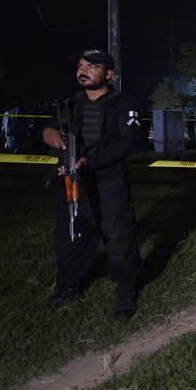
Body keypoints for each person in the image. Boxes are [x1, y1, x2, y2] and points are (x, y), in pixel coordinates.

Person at [42, 49, 144, 321]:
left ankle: (125, 290)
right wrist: (52, 137)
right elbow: (50, 129)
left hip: (109, 184)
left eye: (91, 66)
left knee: (118, 237)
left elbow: (127, 142)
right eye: (81, 65)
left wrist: (90, 160)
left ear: (108, 74)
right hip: (74, 184)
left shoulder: (124, 103)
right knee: (69, 238)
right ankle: (68, 287)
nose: (83, 70)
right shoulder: (72, 104)